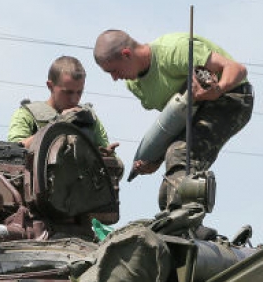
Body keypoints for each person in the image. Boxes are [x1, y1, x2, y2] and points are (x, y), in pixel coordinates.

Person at [94, 29, 254, 211]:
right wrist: (155, 160)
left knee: (180, 155)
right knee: (168, 190)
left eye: (114, 70)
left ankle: (188, 219)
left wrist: (216, 90)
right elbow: (176, 120)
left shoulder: (173, 50)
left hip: (231, 97)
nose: (115, 78)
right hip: (195, 111)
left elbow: (237, 69)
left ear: (126, 54)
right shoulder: (135, 85)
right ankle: (176, 227)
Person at [7, 56, 118, 155]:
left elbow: (115, 165)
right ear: (50, 86)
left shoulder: (88, 118)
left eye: (79, 92)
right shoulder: (27, 115)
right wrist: (57, 124)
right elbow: (13, 152)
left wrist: (106, 157)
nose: (74, 98)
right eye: (68, 92)